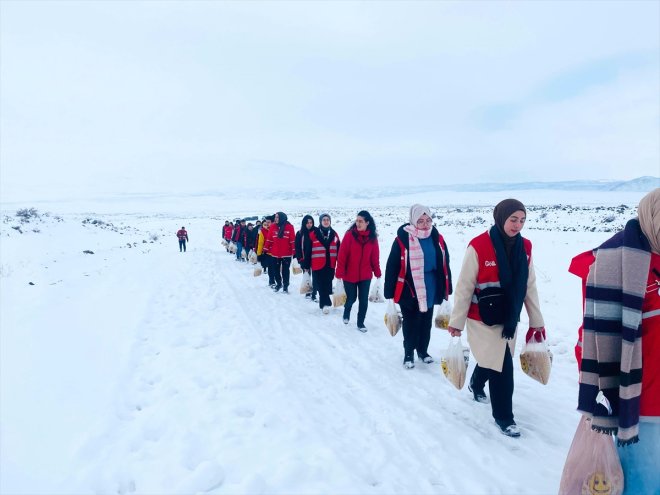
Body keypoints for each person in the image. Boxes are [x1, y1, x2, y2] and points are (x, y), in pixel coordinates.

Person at [576, 188, 659, 493]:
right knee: (642, 482)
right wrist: (598, 389)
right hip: (640, 401)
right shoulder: (614, 262)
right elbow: (593, 334)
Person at [447, 199, 545, 438]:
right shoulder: (479, 246)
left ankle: (476, 383)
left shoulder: (526, 247)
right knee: (502, 365)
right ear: (501, 217)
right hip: (482, 318)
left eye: (522, 220)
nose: (518, 225)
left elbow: (529, 285)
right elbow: (464, 287)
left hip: (509, 316)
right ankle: (504, 417)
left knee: (494, 358)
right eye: (513, 219)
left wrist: (536, 319)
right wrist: (456, 322)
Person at [384, 204, 452, 368]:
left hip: (430, 286)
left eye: (428, 220)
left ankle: (422, 351)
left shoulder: (437, 237)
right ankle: (409, 353)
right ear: (413, 221)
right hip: (410, 287)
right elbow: (392, 265)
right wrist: (389, 291)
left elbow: (445, 263)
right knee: (411, 322)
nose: (425, 224)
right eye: (420, 221)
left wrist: (446, 287)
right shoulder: (403, 239)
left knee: (425, 322)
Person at [335, 210, 382, 332]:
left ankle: (360, 323)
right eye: (357, 221)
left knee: (363, 300)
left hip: (365, 275)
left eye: (361, 221)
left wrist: (377, 271)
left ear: (367, 223)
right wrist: (339, 272)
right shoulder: (350, 235)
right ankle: (347, 311)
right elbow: (342, 255)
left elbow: (374, 256)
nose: (358, 223)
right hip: (349, 274)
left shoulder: (372, 238)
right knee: (351, 298)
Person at [305, 213, 341, 314]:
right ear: (320, 222)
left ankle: (325, 302)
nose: (326, 221)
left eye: (327, 220)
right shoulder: (314, 234)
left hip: (330, 265)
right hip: (317, 264)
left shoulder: (334, 234)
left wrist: (341, 265)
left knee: (328, 283)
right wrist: (306, 265)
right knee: (320, 284)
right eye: (324, 220)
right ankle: (324, 304)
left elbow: (339, 250)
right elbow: (308, 251)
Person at [263, 211, 295, 293]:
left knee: (285, 271)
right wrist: (265, 249)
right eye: (275, 217)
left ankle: (285, 286)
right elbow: (269, 239)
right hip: (275, 253)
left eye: (277, 217)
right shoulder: (273, 226)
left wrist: (295, 252)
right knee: (276, 270)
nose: (275, 219)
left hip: (286, 254)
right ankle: (279, 283)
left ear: (282, 218)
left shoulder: (289, 227)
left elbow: (292, 241)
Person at [296, 215, 318, 301]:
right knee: (307, 275)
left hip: (315, 258)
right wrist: (300, 259)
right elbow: (297, 247)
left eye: (311, 222)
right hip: (305, 259)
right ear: (304, 223)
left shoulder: (316, 231)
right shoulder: (300, 233)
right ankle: (308, 291)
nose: (309, 224)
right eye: (307, 223)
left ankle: (314, 294)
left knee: (316, 277)